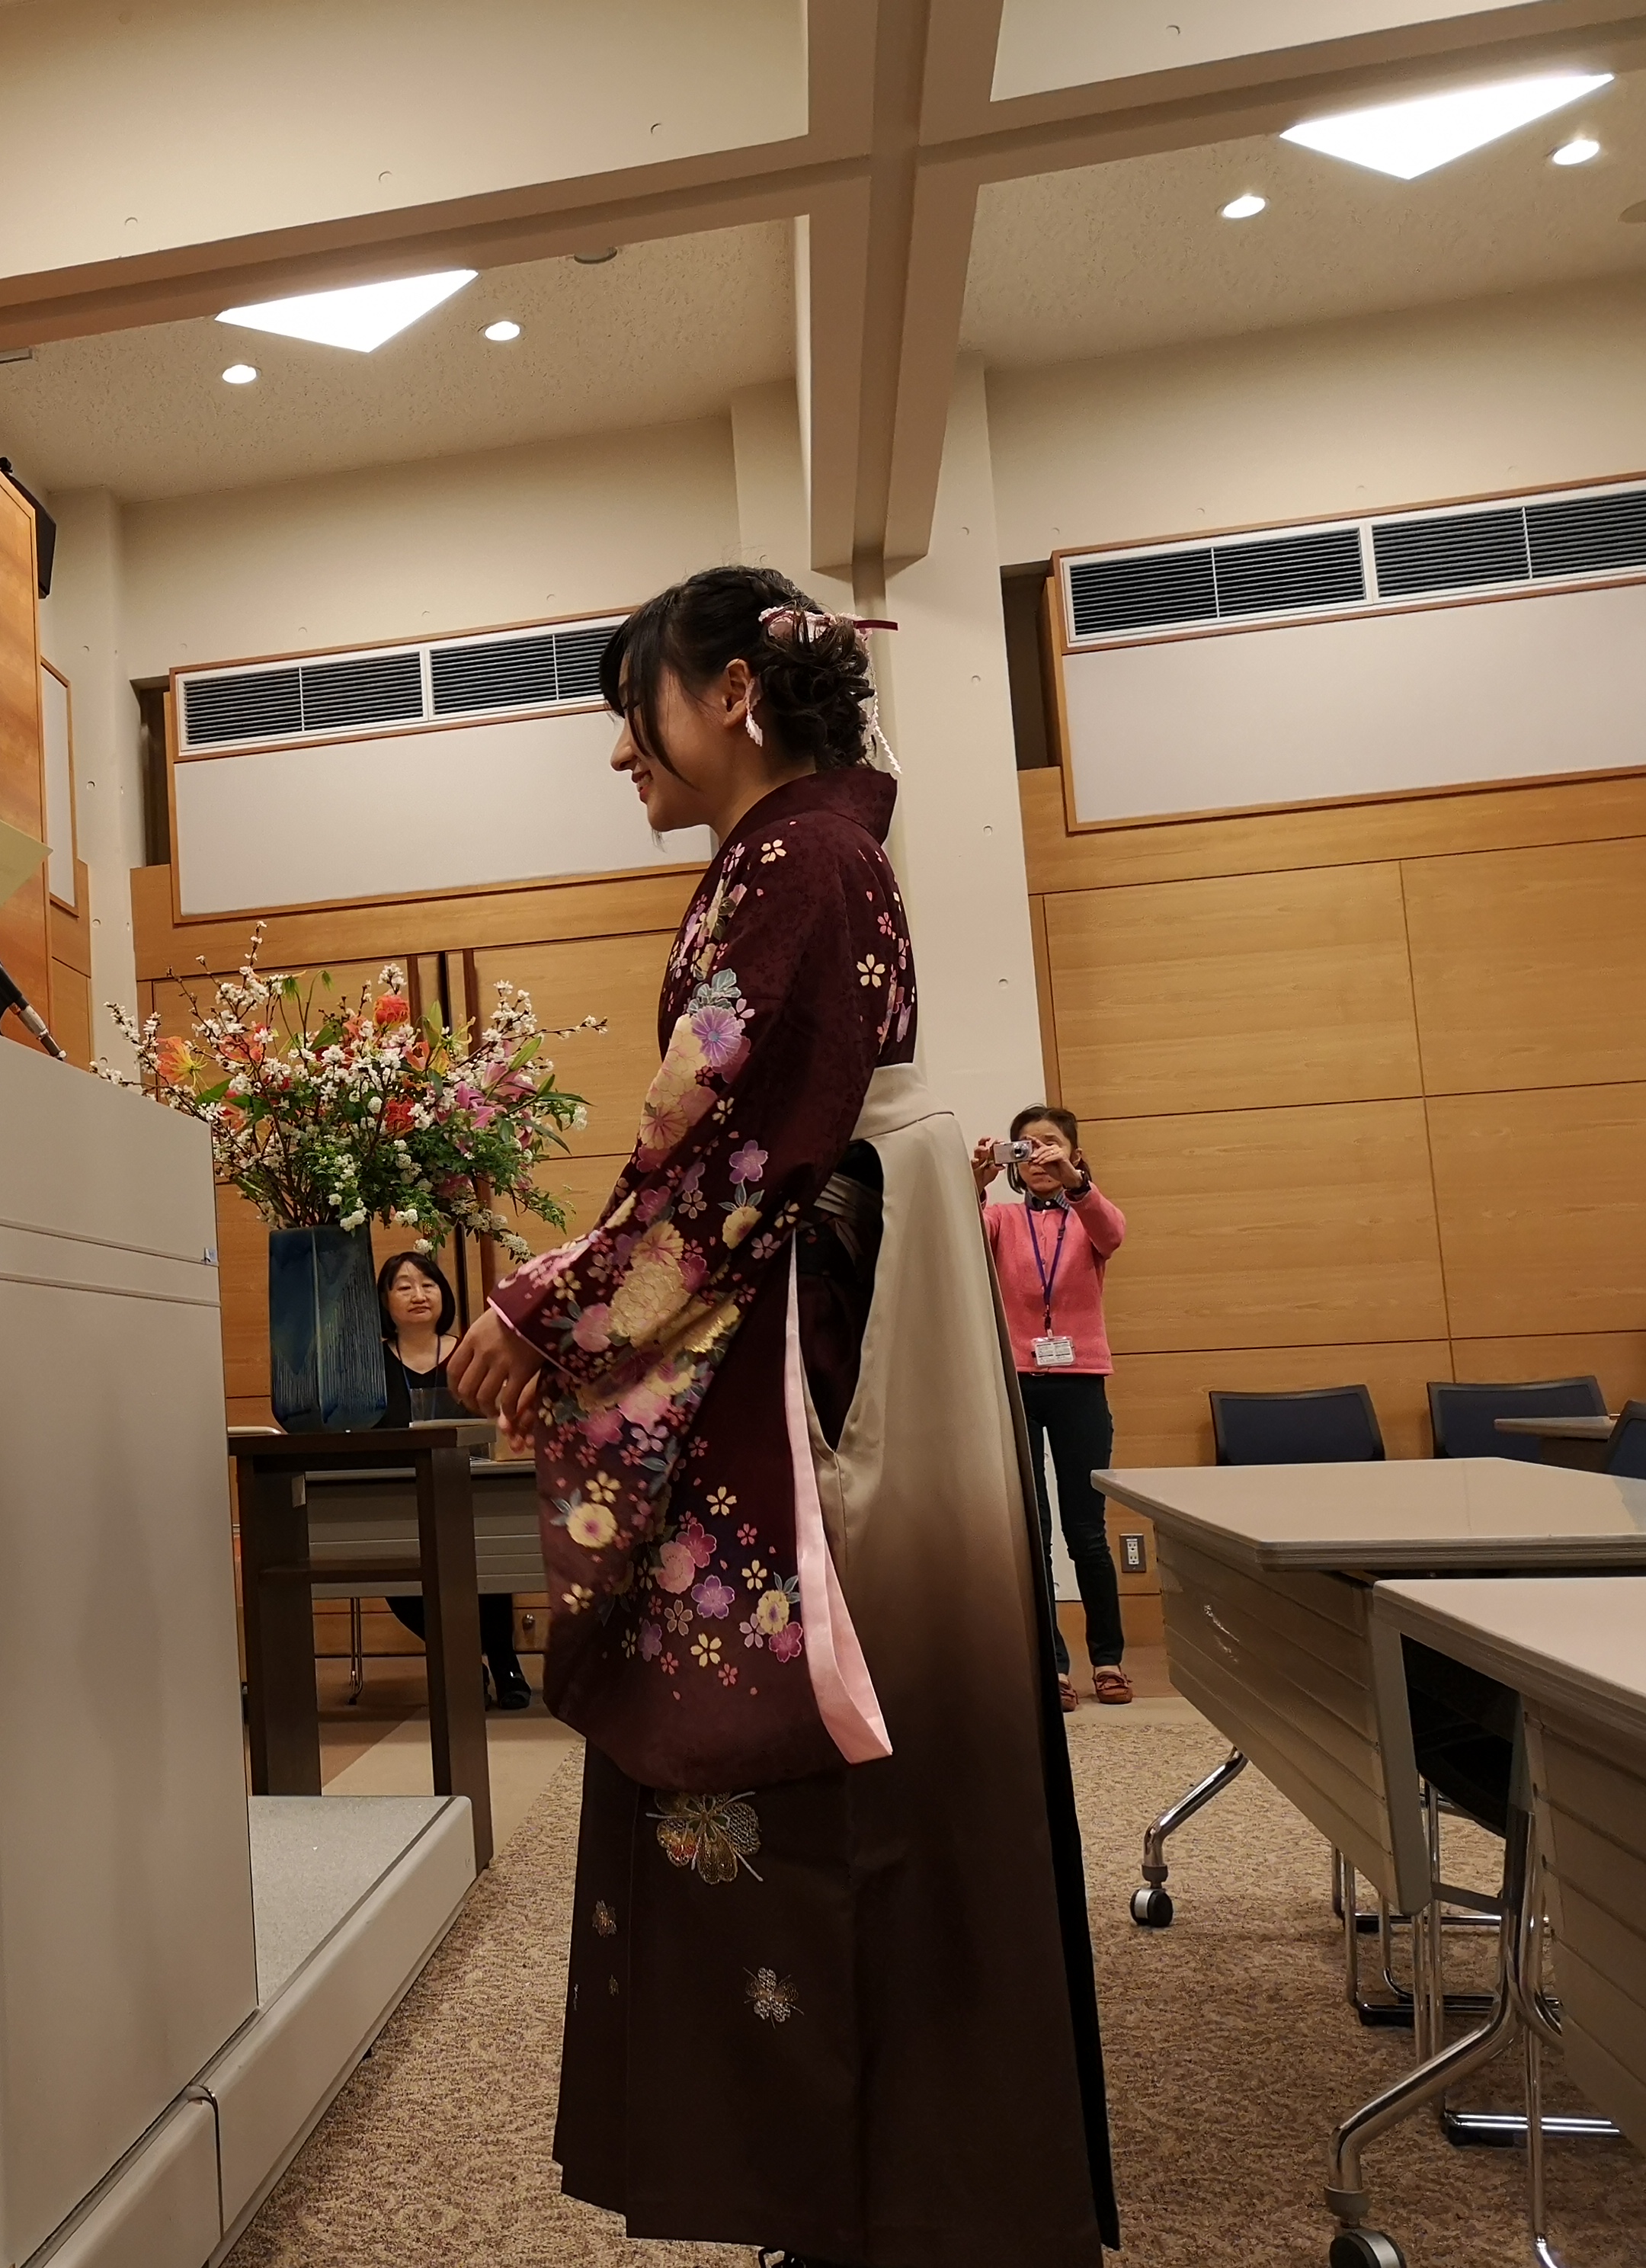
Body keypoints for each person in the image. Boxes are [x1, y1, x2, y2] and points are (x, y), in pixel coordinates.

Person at [447, 565, 1114, 2267]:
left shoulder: (798, 862)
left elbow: (722, 1158)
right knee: (846, 1725)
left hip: (808, 1301)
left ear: (731, 693)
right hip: (826, 1278)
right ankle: (864, 2182)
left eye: (636, 709)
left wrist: (545, 1310)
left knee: (803, 1724)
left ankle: (858, 2188)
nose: (621, 752)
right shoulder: (806, 854)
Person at [978, 1107, 1132, 1712]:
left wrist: (1077, 1184)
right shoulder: (1001, 1218)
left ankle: (1108, 1659)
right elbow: (957, 1242)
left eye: (1050, 1145)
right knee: (1033, 1531)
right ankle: (1054, 1666)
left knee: (1087, 1531)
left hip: (1080, 1382)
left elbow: (1113, 1233)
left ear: (1074, 1154)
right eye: (1025, 1146)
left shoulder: (1087, 1215)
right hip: (1017, 1381)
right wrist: (974, 1184)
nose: (1037, 1155)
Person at [376, 1248, 531, 1710]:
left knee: (490, 1555)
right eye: (404, 1287)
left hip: (471, 1487)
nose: (418, 1295)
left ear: (443, 1293)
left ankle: (505, 1662)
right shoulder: (369, 1364)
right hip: (398, 1498)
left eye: (428, 1284)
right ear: (384, 1301)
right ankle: (465, 1658)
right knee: (395, 1574)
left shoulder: (471, 1351)